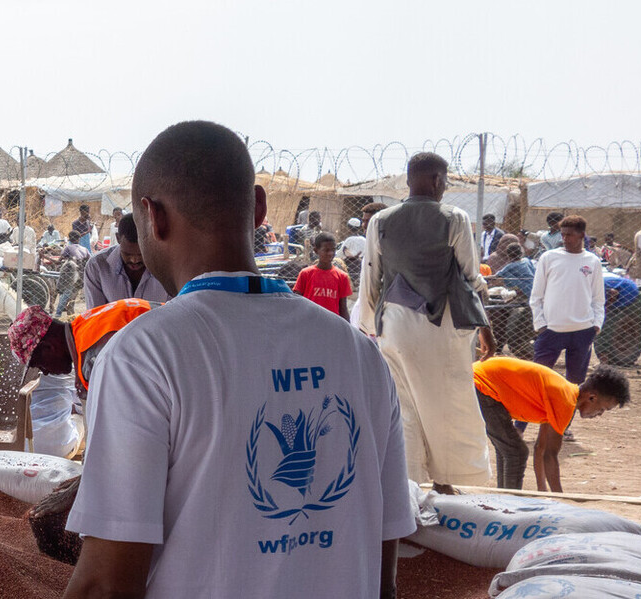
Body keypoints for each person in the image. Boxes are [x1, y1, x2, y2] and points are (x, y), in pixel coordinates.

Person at [63, 121, 411, 599]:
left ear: (152, 216)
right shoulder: (362, 356)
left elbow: (106, 584)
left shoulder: (145, 355)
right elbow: (383, 572)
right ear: (260, 209)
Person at [355, 152, 493, 494]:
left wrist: (370, 325)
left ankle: (409, 486)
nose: (445, 188)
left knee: (405, 407)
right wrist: (485, 324)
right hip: (440, 325)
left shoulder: (380, 221)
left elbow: (371, 276)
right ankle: (449, 484)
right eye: (444, 181)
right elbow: (470, 277)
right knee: (447, 405)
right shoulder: (454, 218)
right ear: (436, 180)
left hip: (394, 324)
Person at [473, 357, 629, 491]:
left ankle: (505, 500)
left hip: (482, 384)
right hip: (481, 384)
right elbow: (550, 455)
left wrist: (542, 491)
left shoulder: (563, 396)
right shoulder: (565, 401)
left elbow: (540, 448)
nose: (599, 414)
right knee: (516, 452)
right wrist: (560, 499)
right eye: (602, 409)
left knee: (508, 449)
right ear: (592, 398)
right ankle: (509, 507)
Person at [8, 299, 154, 395]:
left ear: (49, 347)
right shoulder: (86, 322)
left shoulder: (92, 356)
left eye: (40, 364)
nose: (45, 372)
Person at [530, 215, 605, 382]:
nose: (564, 239)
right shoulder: (549, 258)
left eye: (569, 235)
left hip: (583, 330)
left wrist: (596, 325)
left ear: (581, 235)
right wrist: (541, 325)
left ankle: (569, 409)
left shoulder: (593, 261)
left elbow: (598, 298)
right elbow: (536, 296)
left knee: (575, 383)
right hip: (551, 330)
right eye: (562, 234)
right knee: (538, 378)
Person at [83, 213, 171, 306]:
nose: (134, 260)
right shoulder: (97, 266)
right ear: (118, 238)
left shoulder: (169, 266)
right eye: (127, 254)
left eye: (141, 254)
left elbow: (174, 311)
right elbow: (96, 314)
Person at [293, 232, 351, 319]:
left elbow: (343, 308)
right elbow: (297, 303)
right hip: (309, 322)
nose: (330, 253)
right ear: (316, 251)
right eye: (326, 250)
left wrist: (347, 330)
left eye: (333, 250)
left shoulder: (342, 277)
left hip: (332, 323)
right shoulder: (306, 274)